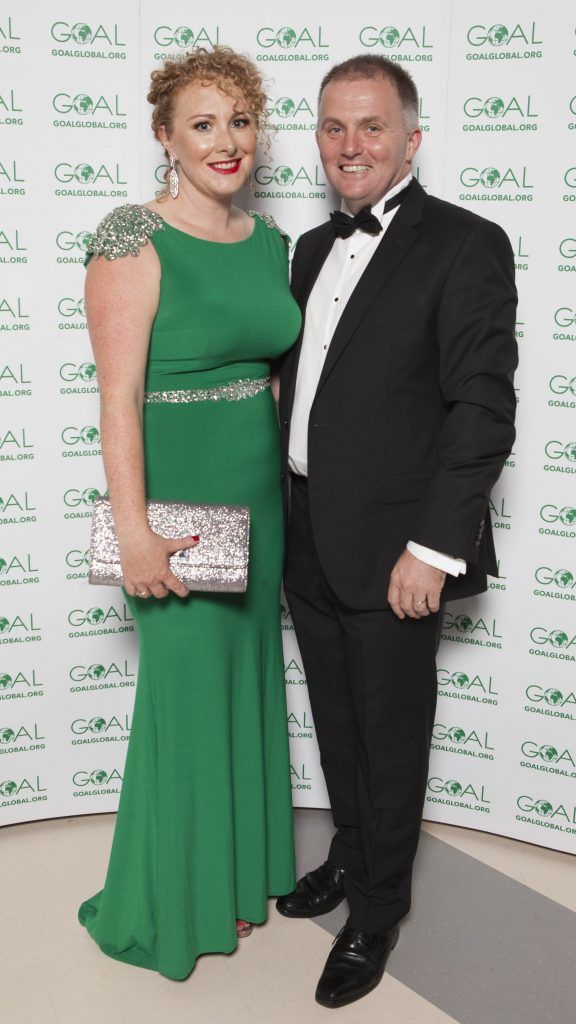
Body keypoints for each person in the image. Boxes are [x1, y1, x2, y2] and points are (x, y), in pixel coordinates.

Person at [278, 55, 518, 1009]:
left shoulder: (467, 242)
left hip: (395, 551)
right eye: (334, 127)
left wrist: (433, 546)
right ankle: (348, 857)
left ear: (412, 138)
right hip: (306, 531)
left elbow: (482, 410)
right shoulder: (304, 248)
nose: (350, 145)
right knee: (338, 723)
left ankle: (378, 913)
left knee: (390, 732)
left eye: (371, 126)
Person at [78, 46, 301, 979]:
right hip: (176, 503)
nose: (226, 142)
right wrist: (133, 529)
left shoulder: (271, 242)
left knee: (243, 684)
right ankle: (172, 902)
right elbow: (117, 397)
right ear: (164, 136)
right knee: (184, 694)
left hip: (260, 495)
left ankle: (233, 880)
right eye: (203, 123)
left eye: (240, 122)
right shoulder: (132, 236)